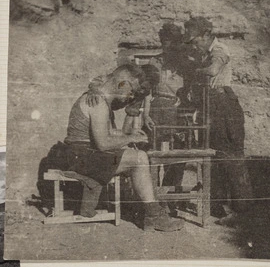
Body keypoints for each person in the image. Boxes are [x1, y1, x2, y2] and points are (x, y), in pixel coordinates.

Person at [47, 64, 184, 232]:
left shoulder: (100, 99)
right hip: (80, 156)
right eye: (131, 90)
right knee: (139, 158)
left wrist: (129, 134)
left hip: (82, 154)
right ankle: (153, 215)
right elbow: (103, 144)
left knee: (136, 155)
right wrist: (131, 137)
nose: (130, 96)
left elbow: (107, 133)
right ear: (122, 84)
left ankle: (151, 214)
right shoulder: (98, 103)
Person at [183, 16, 253, 225]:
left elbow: (213, 70)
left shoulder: (219, 49)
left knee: (232, 159)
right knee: (217, 158)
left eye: (196, 41)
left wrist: (195, 72)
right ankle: (224, 208)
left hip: (224, 107)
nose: (194, 46)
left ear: (206, 35)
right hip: (212, 108)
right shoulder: (205, 54)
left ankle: (242, 212)